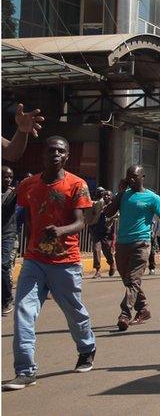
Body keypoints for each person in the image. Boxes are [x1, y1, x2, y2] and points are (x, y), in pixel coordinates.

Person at [2, 136, 95, 391]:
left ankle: (87, 348)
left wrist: (61, 231)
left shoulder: (77, 184)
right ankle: (25, 371)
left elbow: (80, 222)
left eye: (60, 151)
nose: (55, 154)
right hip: (34, 259)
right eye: (51, 149)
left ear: (66, 156)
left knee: (73, 311)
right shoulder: (29, 185)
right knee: (23, 311)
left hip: (66, 261)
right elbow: (21, 215)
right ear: (44, 154)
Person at [102, 165, 160, 331]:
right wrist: (119, 192)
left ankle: (125, 314)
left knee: (133, 279)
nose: (131, 179)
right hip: (122, 243)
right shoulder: (124, 195)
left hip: (141, 243)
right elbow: (108, 212)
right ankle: (143, 308)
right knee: (127, 279)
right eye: (128, 176)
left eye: (134, 176)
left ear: (143, 177)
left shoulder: (152, 198)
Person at [2, 166, 18, 315]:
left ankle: (7, 300)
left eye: (9, 177)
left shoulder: (13, 194)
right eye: (4, 176)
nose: (7, 179)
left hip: (7, 235)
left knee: (3, 266)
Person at [90, 189, 117, 279]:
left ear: (111, 197)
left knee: (107, 250)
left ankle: (111, 263)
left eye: (108, 195)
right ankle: (97, 270)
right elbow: (91, 214)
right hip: (97, 230)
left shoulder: (113, 206)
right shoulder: (98, 204)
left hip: (107, 232)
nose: (106, 196)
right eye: (105, 195)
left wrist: (110, 218)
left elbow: (114, 218)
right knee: (96, 249)